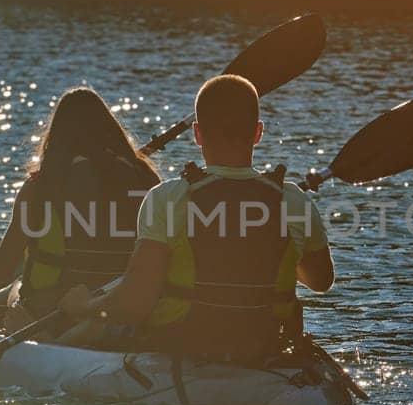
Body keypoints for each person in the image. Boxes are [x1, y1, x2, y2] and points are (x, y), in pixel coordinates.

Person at [62, 73, 334, 361]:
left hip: (181, 349)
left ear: (197, 134)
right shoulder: (294, 201)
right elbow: (321, 280)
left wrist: (83, 307)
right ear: (257, 132)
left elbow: (134, 305)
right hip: (267, 351)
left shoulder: (167, 198)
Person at [0, 86, 159, 331]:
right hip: (118, 306)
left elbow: (2, 267)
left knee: (1, 287)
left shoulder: (41, 185)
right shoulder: (146, 178)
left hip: (51, 309)